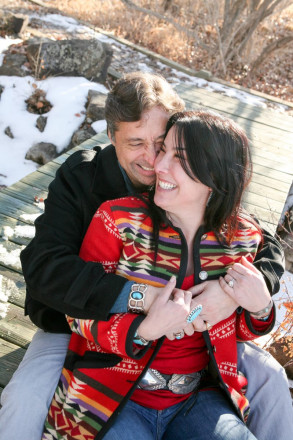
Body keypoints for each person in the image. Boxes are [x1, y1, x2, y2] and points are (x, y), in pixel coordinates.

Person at [0, 73, 291, 440]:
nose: (154, 160)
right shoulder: (85, 181)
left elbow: (258, 241)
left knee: (273, 385)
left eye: (162, 143)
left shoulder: (193, 177)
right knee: (24, 402)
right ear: (110, 137)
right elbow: (45, 268)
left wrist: (239, 292)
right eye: (136, 143)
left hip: (195, 347)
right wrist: (142, 298)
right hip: (83, 330)